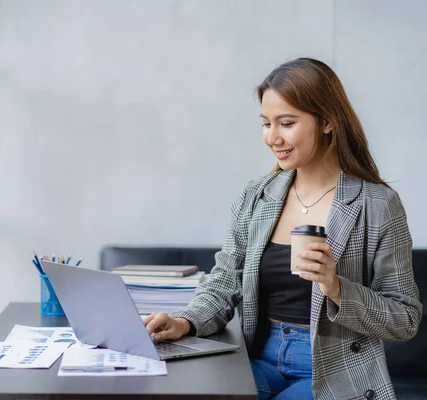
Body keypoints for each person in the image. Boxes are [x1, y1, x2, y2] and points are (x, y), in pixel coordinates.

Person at [143, 58, 422, 399]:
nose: (272, 138)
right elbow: (223, 283)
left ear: (328, 122)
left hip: (332, 369)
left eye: (286, 123)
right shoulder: (257, 197)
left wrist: (336, 287)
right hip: (258, 358)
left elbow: (405, 319)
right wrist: (184, 322)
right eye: (266, 123)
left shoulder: (376, 204)